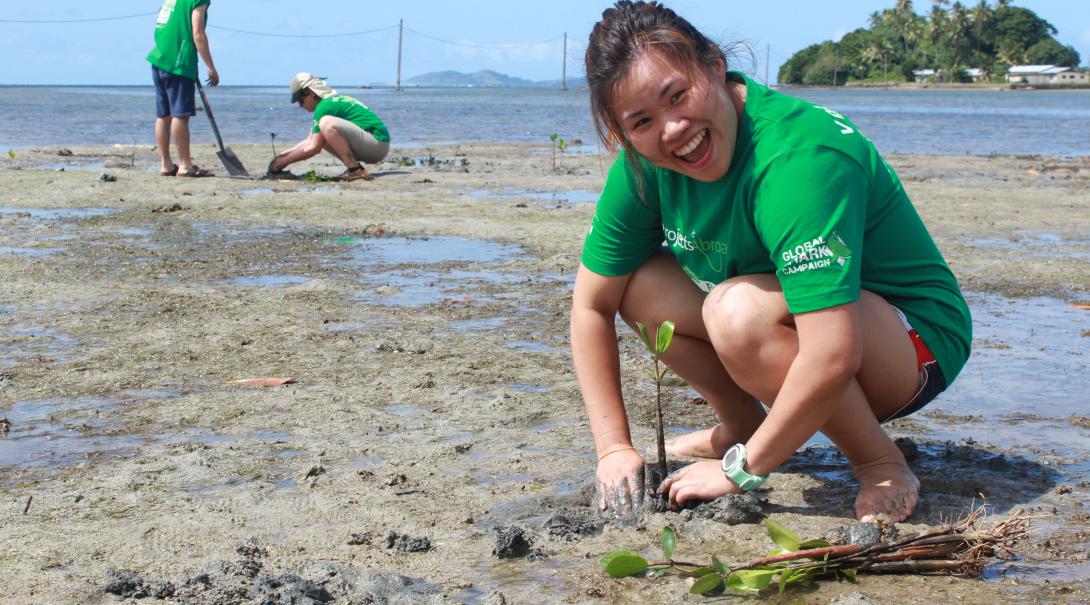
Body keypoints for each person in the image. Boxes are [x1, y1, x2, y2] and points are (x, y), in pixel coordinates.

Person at [572, 1, 971, 523]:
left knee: (737, 313)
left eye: (678, 95)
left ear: (715, 65)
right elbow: (590, 308)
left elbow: (832, 351)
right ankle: (739, 424)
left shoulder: (797, 157)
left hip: (910, 342)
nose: (672, 129)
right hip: (800, 325)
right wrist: (613, 449)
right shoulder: (644, 169)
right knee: (639, 286)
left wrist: (741, 471)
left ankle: (879, 460)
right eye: (643, 121)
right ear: (623, 134)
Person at [267, 73, 391, 182]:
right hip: (375, 145)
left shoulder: (324, 106)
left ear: (309, 93)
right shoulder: (329, 102)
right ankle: (354, 167)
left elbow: (314, 148)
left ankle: (354, 169)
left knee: (326, 123)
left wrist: (282, 163)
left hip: (377, 143)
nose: (300, 105)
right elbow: (309, 141)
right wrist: (282, 156)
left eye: (300, 100)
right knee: (321, 131)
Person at [147, 0, 219, 177]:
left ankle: (166, 164)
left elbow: (162, 27)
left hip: (160, 59)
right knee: (180, 114)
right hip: (178, 62)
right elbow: (198, 33)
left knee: (164, 114)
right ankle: (185, 165)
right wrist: (210, 67)